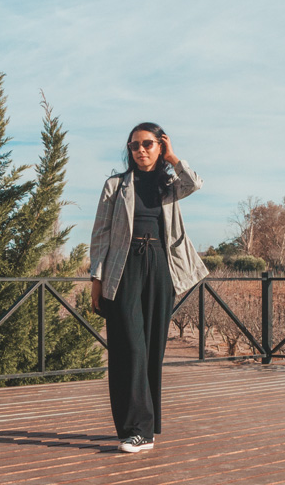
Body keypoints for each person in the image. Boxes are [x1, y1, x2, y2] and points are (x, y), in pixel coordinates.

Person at [89, 122, 209, 453]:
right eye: (133, 145)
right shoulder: (116, 185)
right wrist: (96, 281)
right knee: (131, 346)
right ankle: (136, 427)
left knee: (153, 347)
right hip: (123, 268)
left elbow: (195, 182)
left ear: (159, 146)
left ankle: (146, 428)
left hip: (160, 268)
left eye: (147, 144)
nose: (140, 150)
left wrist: (173, 158)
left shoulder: (168, 185)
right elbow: (100, 235)